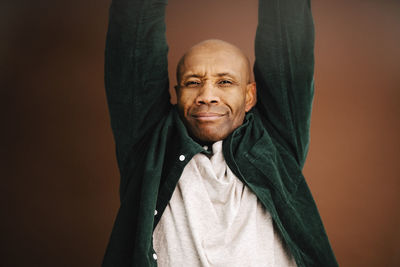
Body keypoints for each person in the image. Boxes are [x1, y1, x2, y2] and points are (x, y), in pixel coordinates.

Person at [102, 0, 338, 266]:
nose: (207, 96)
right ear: (178, 95)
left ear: (249, 96)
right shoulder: (151, 145)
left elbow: (286, 39)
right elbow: (134, 37)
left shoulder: (274, 141)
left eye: (225, 82)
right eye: (193, 83)